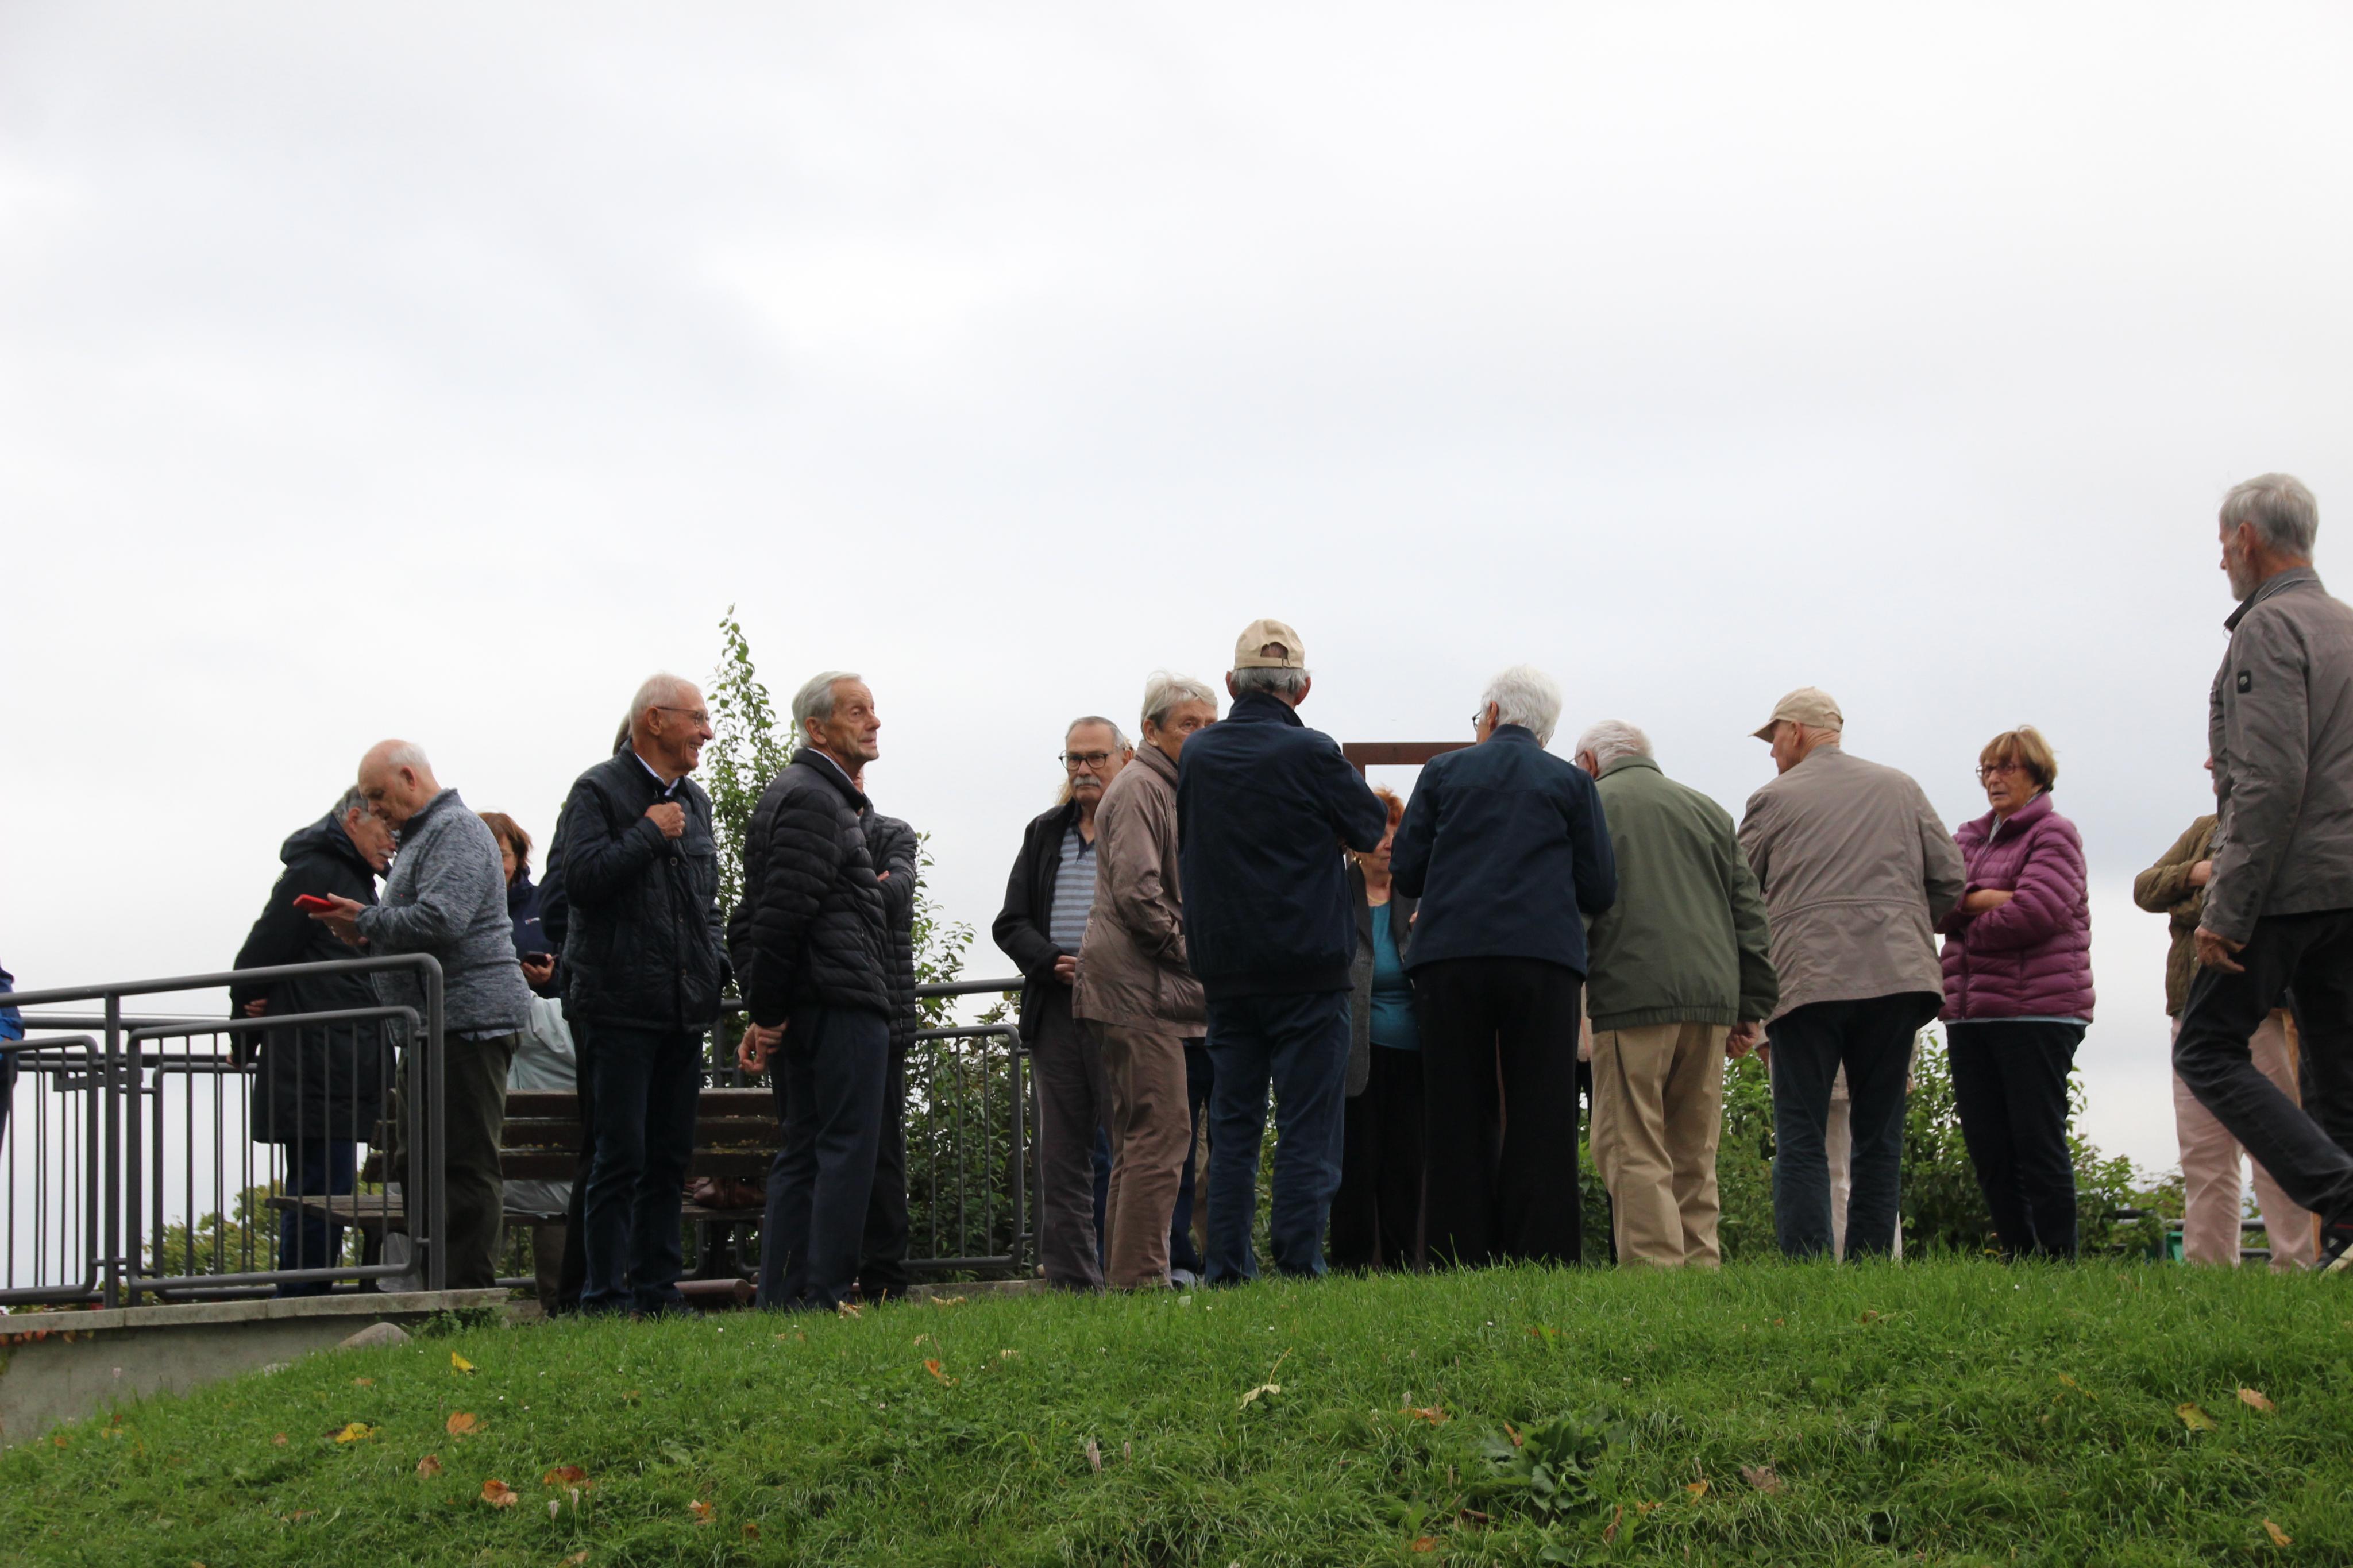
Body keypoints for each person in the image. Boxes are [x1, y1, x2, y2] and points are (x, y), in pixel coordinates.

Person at [2175, 474, 2353, 1269]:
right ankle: (2345, 1252)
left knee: (2206, 1048)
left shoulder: (2267, 628)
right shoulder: (2344, 624)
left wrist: (2227, 908)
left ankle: (2342, 1194)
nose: (2221, 560)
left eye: (2223, 544)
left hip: (2287, 884)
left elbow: (2270, 782)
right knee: (2337, 1073)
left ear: (2246, 538)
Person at [1177, 619, 1387, 1282]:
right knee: (1307, 1126)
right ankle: (1298, 1262)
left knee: (1233, 1127)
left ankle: (1227, 1267)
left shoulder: (1198, 755)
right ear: (1303, 688)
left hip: (1227, 970)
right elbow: (1368, 826)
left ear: (1231, 684)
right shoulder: (1313, 751)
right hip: (1309, 967)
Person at [1392, 666, 1615, 1268]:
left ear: (1491, 714)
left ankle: (1454, 1254)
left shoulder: (1443, 772)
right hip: (1543, 959)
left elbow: (1407, 871)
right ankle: (1542, 1254)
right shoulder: (1573, 784)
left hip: (1451, 958)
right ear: (1546, 728)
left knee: (1455, 1109)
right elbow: (1599, 887)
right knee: (1543, 1108)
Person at [1739, 688, 1963, 1261]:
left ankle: (1807, 1267)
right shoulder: (1901, 788)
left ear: (1795, 731)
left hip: (1806, 981)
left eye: (1773, 737)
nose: (1771, 751)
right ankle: (1870, 1266)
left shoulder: (1772, 799)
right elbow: (1950, 879)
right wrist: (1901, 924)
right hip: (1897, 979)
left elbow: (1738, 893)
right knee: (1879, 1134)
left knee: (1801, 1133)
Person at [310, 741, 533, 1291]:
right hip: (433, 1027)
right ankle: (439, 1290)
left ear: (410, 778)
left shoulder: (455, 831)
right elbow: (425, 923)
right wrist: (369, 929)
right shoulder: (426, 837)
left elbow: (441, 920)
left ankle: (467, 1298)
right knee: (421, 1164)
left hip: (467, 1023)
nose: (373, 809)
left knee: (463, 1165)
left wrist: (366, 921)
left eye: (378, 795)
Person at [553, 675, 727, 1316]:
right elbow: (578, 882)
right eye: (697, 718)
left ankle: (658, 1291)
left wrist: (714, 963)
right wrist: (649, 833)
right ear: (654, 720)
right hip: (617, 1006)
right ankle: (604, 1297)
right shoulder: (598, 790)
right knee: (619, 1156)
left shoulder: (697, 802)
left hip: (683, 1008)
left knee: (669, 1159)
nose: (707, 732)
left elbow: (707, 902)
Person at [1576, 720, 1776, 1269]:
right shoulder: (1709, 811)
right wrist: (1751, 1008)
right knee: (1693, 1149)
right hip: (1711, 1000)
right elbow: (1749, 915)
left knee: (1632, 1144)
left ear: (1590, 763)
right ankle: (1701, 1271)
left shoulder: (1591, 808)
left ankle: (1656, 1280)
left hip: (1630, 995)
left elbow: (1576, 906)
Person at [730, 671, 892, 1312]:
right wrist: (767, 1011)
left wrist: (769, 1008)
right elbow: (776, 917)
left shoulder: (805, 794)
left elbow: (758, 917)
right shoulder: (813, 799)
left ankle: (785, 1297)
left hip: (812, 1000)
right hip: (836, 1004)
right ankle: (818, 1298)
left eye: (873, 710)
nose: (874, 722)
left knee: (804, 1150)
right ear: (817, 729)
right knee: (842, 1149)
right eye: (857, 712)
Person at [2136, 768, 2315, 1270]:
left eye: (2220, 756)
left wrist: (2192, 902)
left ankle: (2296, 1268)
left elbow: (2251, 904)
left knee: (2275, 1144)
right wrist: (2197, 874)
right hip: (2189, 1011)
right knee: (2202, 1152)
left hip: (2257, 1014)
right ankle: (2208, 1271)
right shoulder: (2204, 829)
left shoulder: (2282, 831)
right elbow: (2145, 888)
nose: (2210, 766)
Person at [1074, 673, 1216, 1289]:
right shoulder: (1140, 788)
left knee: (1142, 1140)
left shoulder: (1169, 787)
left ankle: (1132, 1278)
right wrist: (1199, 957)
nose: (1202, 736)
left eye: (1210, 725)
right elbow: (1139, 894)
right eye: (1189, 725)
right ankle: (1140, 1279)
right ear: (1151, 731)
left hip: (1140, 990)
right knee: (1162, 1133)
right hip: (1137, 991)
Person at [230, 786, 397, 1294]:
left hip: (334, 1059)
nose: (392, 841)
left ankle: (309, 1293)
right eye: (385, 828)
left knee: (328, 1189)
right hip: (317, 1061)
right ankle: (302, 1299)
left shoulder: (349, 875)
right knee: (320, 1190)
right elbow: (259, 956)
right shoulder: (320, 871)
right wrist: (248, 1023)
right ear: (354, 818)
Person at [1938, 726, 2094, 1260]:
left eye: (2007, 768)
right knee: (1987, 1146)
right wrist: (1987, 898)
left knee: (2036, 1139)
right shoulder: (1966, 838)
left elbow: (2036, 911)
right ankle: (2018, 1256)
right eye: (1987, 769)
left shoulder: (2055, 834)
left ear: (2038, 775)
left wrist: (1965, 923)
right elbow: (1934, 903)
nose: (1994, 779)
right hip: (1969, 1013)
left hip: (2040, 1012)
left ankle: (2058, 1258)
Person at [993, 717, 1133, 1290]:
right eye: (1073, 758)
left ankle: (1133, 1272)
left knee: (1132, 1145)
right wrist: (1050, 959)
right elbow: (1010, 923)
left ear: (1124, 759)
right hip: (1055, 1008)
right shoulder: (1044, 832)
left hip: (1125, 1005)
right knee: (1062, 1154)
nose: (1083, 769)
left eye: (1096, 757)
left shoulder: (1143, 825)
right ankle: (1074, 1280)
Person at [1328, 786, 1424, 1272]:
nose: (1390, 842)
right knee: (1355, 1165)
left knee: (1406, 1164)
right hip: (1354, 1053)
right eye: (1381, 831)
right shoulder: (1336, 893)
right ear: (1356, 841)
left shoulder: (1419, 894)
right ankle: (1351, 1266)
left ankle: (1406, 1264)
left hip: (1415, 1053)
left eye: (1397, 832)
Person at [858, 806, 921, 1303]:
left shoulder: (893, 833)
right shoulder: (803, 824)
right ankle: (822, 1276)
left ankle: (885, 1281)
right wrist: (865, 888)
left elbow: (896, 896)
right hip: (824, 1017)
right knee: (822, 1150)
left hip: (886, 1017)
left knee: (883, 1153)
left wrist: (832, 893)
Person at [480, 812, 558, 998]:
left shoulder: (545, 902)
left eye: (502, 855)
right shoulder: (459, 911)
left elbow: (576, 969)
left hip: (542, 1010)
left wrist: (551, 978)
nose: (494, 865)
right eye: (483, 855)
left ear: (517, 857)